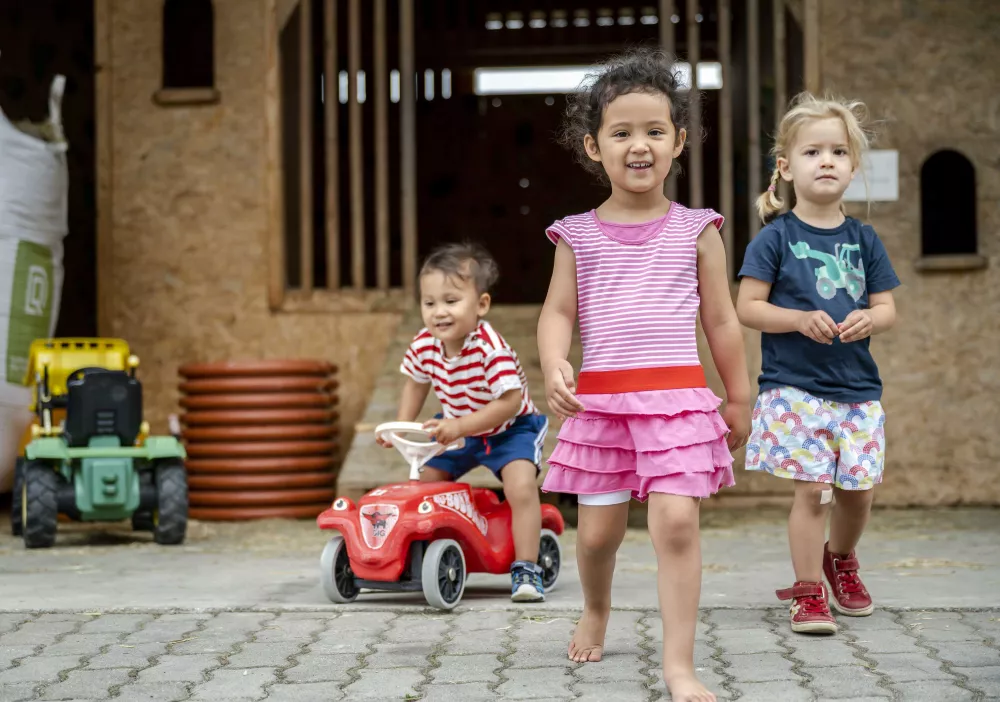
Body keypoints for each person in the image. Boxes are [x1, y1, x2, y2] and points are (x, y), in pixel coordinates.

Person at [537, 47, 750, 702]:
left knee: (677, 524)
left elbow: (722, 322)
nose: (639, 145)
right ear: (592, 146)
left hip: (678, 404)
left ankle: (678, 667)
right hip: (600, 408)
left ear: (678, 141)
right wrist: (552, 361)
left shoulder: (697, 230)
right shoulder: (577, 234)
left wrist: (739, 395)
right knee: (598, 536)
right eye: (621, 133)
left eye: (654, 131)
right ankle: (597, 608)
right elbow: (558, 311)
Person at [736, 92, 900, 634]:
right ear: (785, 168)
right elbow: (748, 307)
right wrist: (797, 318)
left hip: (858, 388)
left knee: (858, 491)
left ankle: (840, 559)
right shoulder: (775, 238)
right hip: (794, 386)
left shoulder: (865, 239)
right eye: (811, 152)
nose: (825, 160)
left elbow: (887, 307)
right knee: (812, 489)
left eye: (837, 151)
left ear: (853, 167)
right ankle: (808, 592)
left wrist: (870, 321)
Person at [381, 242, 550, 602]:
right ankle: (420, 556)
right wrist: (400, 425)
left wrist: (460, 427)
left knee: (520, 487)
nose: (439, 312)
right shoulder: (425, 343)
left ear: (481, 305)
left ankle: (526, 569)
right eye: (430, 303)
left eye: (451, 301)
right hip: (458, 427)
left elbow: (510, 402)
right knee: (424, 485)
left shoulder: (491, 348)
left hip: (510, 429)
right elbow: (416, 383)